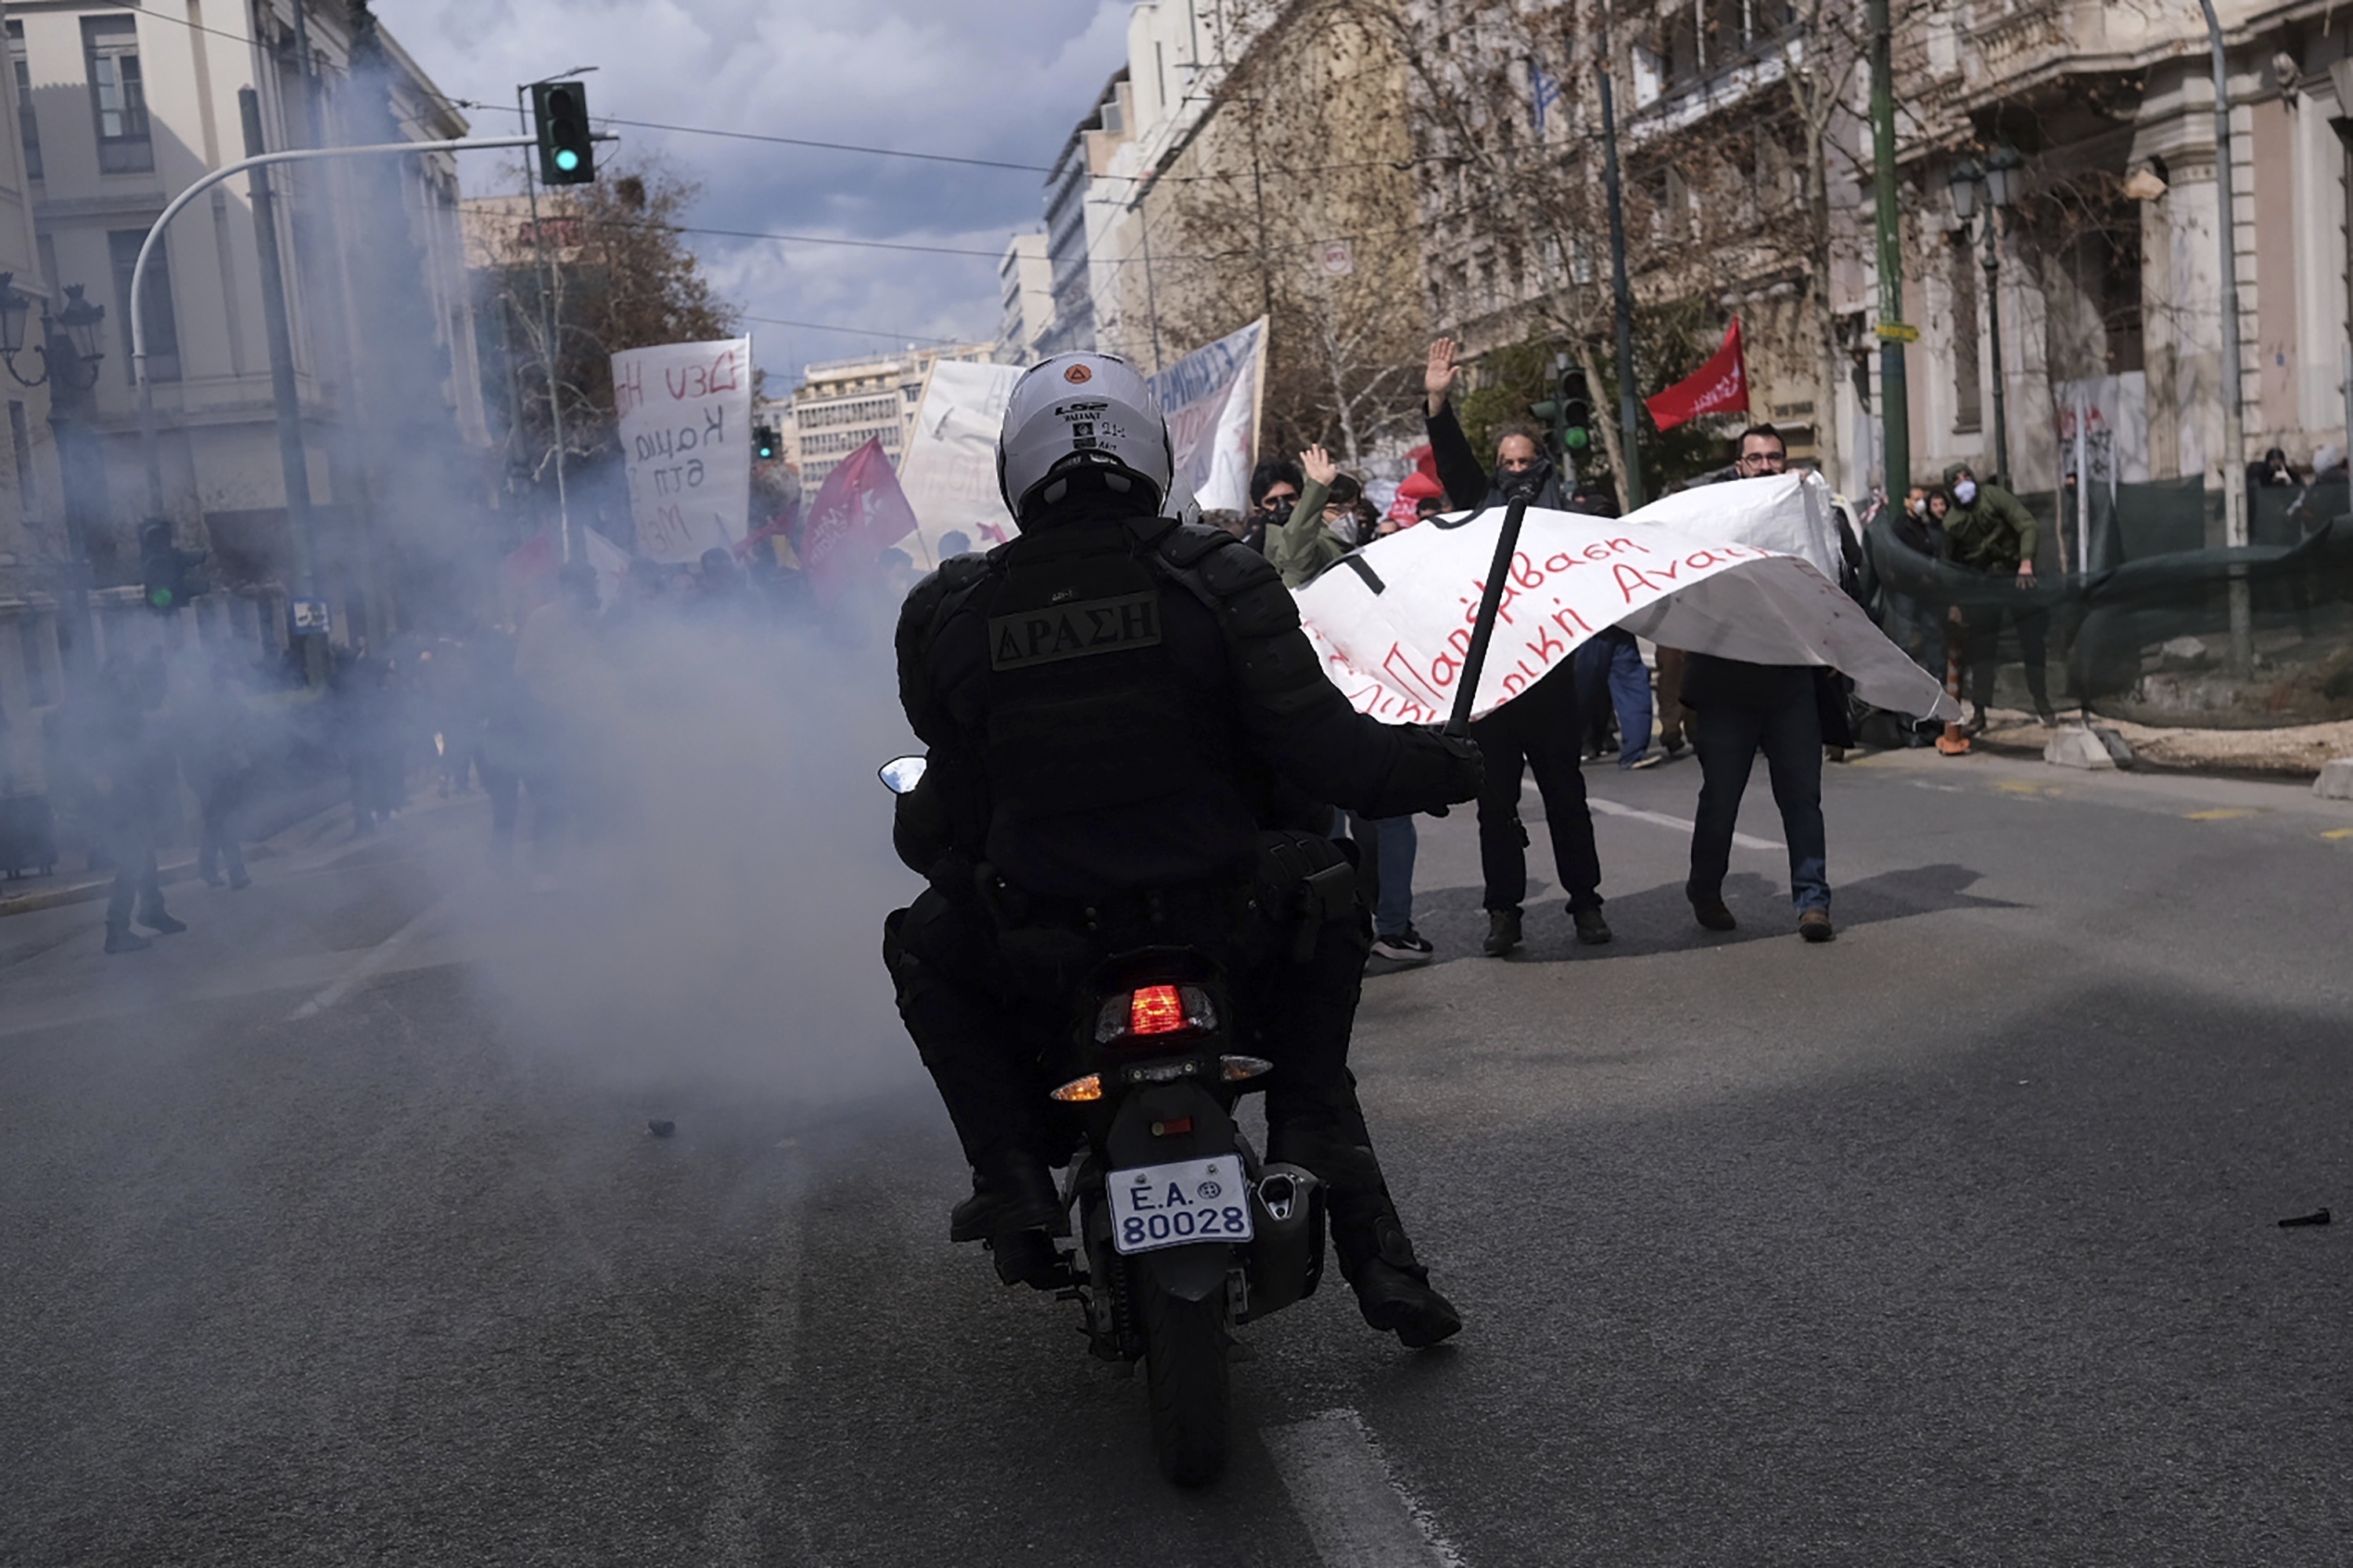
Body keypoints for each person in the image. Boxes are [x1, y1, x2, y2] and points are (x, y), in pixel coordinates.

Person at [888, 351, 1483, 1347]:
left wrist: (944, 850)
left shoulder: (951, 610)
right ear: (1150, 452)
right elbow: (1333, 756)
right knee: (1327, 901)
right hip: (1223, 917)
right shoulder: (1222, 577)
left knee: (921, 943)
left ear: (1017, 469)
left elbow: (946, 803)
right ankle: (1322, 1170)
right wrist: (1452, 765)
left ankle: (1011, 1178)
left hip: (1046, 941)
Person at [1421, 337, 1609, 954]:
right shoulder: (1482, 506)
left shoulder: (1569, 516)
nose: (1516, 470)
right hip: (1494, 688)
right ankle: (1504, 911)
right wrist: (1438, 401)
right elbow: (1454, 464)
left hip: (1551, 683)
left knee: (1566, 803)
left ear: (1544, 463)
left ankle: (1587, 904)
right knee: (1495, 808)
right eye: (1507, 461)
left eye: (1526, 461)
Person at [1269, 445, 1434, 964]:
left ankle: (1392, 925)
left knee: (1390, 818)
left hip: (1376, 701)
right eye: (1335, 508)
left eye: (1353, 507)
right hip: (1328, 706)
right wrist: (1315, 493)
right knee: (1332, 825)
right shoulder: (1298, 546)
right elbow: (1292, 558)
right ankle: (1342, 927)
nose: (1348, 517)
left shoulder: (1365, 549)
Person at [1682, 425, 1838, 944]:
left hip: (1790, 679)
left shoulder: (1804, 508)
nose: (1767, 466)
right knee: (1721, 798)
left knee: (1802, 797)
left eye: (1775, 457)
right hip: (1726, 683)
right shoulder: (1716, 511)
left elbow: (1843, 567)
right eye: (1756, 458)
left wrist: (1810, 498)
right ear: (1739, 464)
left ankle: (1813, 901)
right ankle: (1705, 890)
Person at [1940, 460, 2054, 729]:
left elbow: (2027, 525)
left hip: (2015, 578)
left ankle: (2043, 703)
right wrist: (1955, 601)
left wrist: (2026, 561)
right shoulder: (1952, 523)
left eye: (1967, 476)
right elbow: (1950, 565)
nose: (1964, 483)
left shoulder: (1994, 498)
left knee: (2032, 642)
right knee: (1982, 650)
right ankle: (1979, 713)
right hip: (1982, 586)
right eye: (1956, 480)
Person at [1242, 458, 1304, 555]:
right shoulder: (1251, 554)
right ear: (1259, 511)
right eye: (1272, 501)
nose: (1283, 507)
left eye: (1289, 498)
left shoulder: (1323, 536)